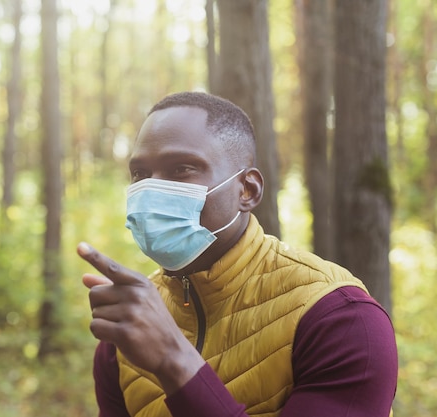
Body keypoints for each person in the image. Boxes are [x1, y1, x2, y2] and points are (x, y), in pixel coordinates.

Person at [77, 91, 397, 417]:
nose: (152, 190)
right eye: (140, 174)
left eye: (181, 169)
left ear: (248, 190)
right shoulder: (127, 329)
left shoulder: (340, 318)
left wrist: (174, 360)